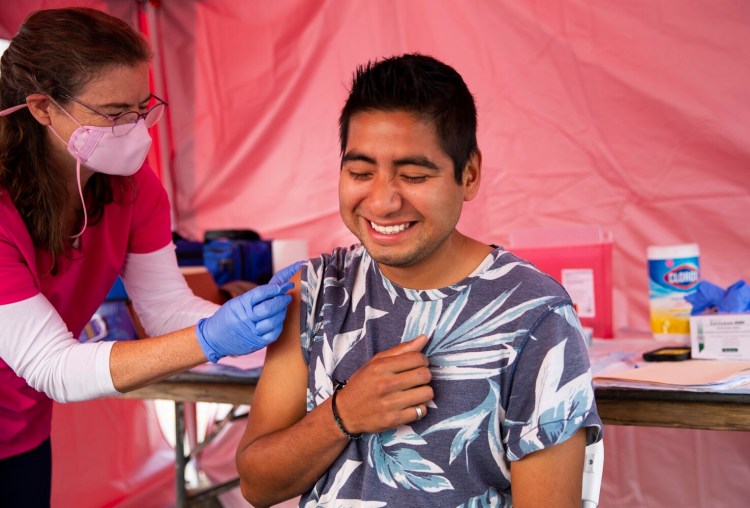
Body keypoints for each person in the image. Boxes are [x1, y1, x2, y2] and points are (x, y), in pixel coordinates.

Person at [235, 53, 603, 507]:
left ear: (468, 175)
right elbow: (257, 484)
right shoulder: (315, 291)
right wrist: (342, 415)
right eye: (360, 173)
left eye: (413, 175)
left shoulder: (536, 315)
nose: (383, 201)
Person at [0, 8, 299, 507]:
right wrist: (213, 338)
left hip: (23, 427)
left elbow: (165, 310)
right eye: (115, 114)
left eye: (142, 108)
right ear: (43, 108)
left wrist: (276, 332)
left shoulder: (132, 188)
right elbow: (54, 366)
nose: (136, 129)